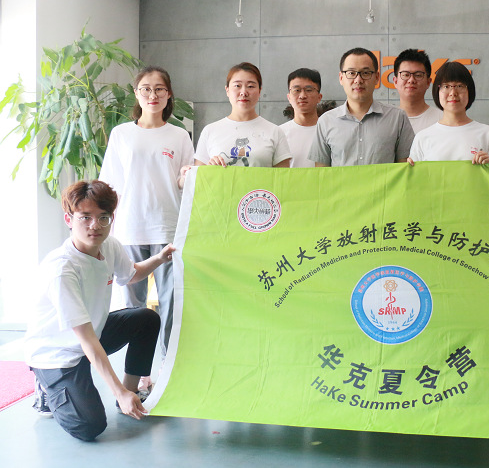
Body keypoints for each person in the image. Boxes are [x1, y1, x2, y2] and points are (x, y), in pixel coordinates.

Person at [24, 180, 176, 441]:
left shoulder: (109, 245)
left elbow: (131, 274)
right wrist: (116, 390)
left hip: (92, 333)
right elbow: (86, 340)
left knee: (146, 319)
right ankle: (46, 386)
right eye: (85, 217)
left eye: (103, 217)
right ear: (69, 219)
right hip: (58, 352)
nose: (95, 225)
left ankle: (131, 393)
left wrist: (160, 258)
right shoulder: (62, 269)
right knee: (89, 426)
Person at [99, 66, 193, 367]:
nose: (153, 95)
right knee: (133, 309)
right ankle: (137, 373)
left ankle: (167, 370)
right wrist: (105, 227)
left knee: (171, 303)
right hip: (130, 228)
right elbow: (109, 183)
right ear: (137, 94)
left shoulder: (179, 135)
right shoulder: (122, 134)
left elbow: (184, 182)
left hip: (168, 227)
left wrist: (188, 175)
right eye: (146, 89)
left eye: (159, 89)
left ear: (169, 94)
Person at [308, 47, 414, 166]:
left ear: (377, 77)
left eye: (365, 73)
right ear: (341, 78)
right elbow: (321, 171)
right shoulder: (326, 121)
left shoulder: (397, 118)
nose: (358, 80)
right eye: (351, 73)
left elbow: (404, 169)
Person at [194, 62, 292, 168]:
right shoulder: (210, 131)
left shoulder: (275, 132)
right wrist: (210, 168)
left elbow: (283, 176)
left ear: (259, 91)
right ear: (227, 90)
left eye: (250, 86)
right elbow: (198, 175)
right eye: (237, 86)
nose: (243, 92)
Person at [408, 61, 489, 165]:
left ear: (469, 91)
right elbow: (415, 175)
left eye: (459, 86)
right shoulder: (423, 137)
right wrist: (410, 167)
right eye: (446, 86)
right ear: (437, 91)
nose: (453, 93)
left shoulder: (486, 133)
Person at [280, 68, 323, 168]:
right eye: (297, 90)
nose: (302, 96)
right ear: (289, 97)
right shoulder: (279, 133)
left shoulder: (328, 131)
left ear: (319, 97)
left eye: (309, 90)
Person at [393, 48, 442, 133]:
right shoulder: (387, 119)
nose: (411, 80)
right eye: (406, 75)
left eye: (418, 75)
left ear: (428, 82)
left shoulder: (442, 120)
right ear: (395, 81)